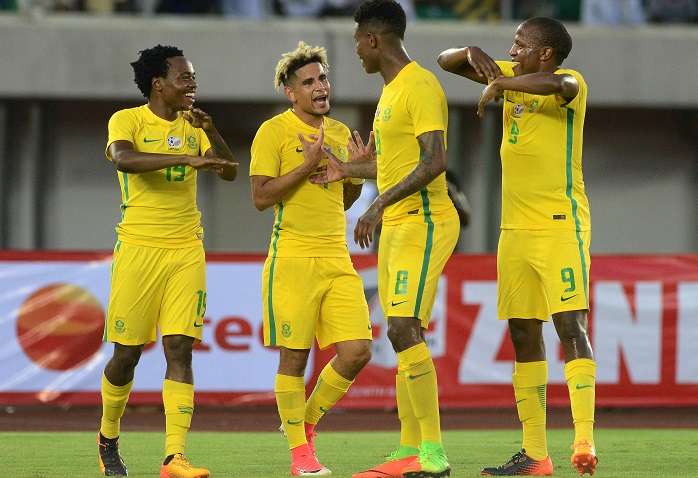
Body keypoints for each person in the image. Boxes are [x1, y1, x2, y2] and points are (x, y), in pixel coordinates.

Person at [437, 16, 598, 477]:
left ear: (543, 52)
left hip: (560, 225)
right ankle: (535, 455)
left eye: (521, 44)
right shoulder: (509, 73)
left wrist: (502, 81)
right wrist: (470, 52)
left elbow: (560, 82)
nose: (512, 49)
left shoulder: (569, 84)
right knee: (523, 334)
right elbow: (444, 62)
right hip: (514, 231)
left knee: (571, 324)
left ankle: (584, 439)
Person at [309, 1, 459, 476]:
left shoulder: (420, 85)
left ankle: (432, 453)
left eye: (357, 40)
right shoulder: (391, 92)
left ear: (373, 40)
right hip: (401, 221)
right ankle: (409, 449)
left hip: (426, 218)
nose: (354, 50)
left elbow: (435, 161)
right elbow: (392, 163)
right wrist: (346, 169)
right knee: (401, 331)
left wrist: (375, 203)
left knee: (401, 329)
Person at [98, 44, 238, 478]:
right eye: (184, 76)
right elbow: (124, 159)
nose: (192, 83)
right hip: (138, 249)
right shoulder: (128, 120)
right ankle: (108, 438)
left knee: (180, 347)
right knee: (127, 355)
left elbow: (229, 170)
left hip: (186, 249)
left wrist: (211, 132)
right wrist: (184, 156)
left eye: (193, 76)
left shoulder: (195, 125)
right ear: (158, 83)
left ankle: (173, 457)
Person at [249, 41, 374, 477]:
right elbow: (261, 197)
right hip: (293, 258)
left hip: (336, 256)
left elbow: (343, 199)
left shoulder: (340, 131)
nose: (321, 86)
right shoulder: (272, 132)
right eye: (309, 81)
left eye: (323, 78)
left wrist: (356, 172)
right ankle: (301, 455)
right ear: (290, 92)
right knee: (293, 359)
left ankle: (305, 424)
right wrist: (305, 166)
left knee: (358, 351)